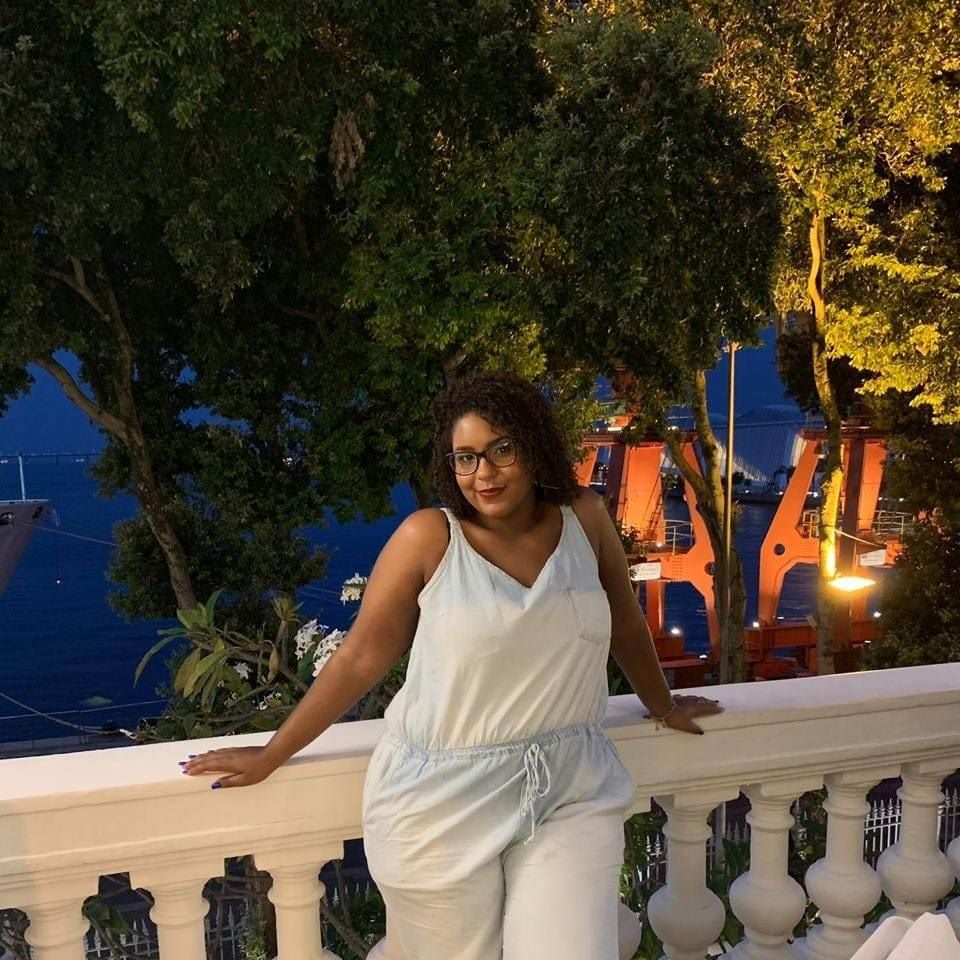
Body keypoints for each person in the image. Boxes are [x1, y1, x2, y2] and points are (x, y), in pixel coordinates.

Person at [182, 371, 722, 959]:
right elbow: (360, 657)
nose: (483, 473)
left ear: (534, 445)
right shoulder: (430, 538)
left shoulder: (584, 518)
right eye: (466, 457)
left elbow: (624, 621)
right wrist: (273, 752)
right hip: (442, 801)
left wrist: (662, 705)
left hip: (570, 783)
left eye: (501, 450)